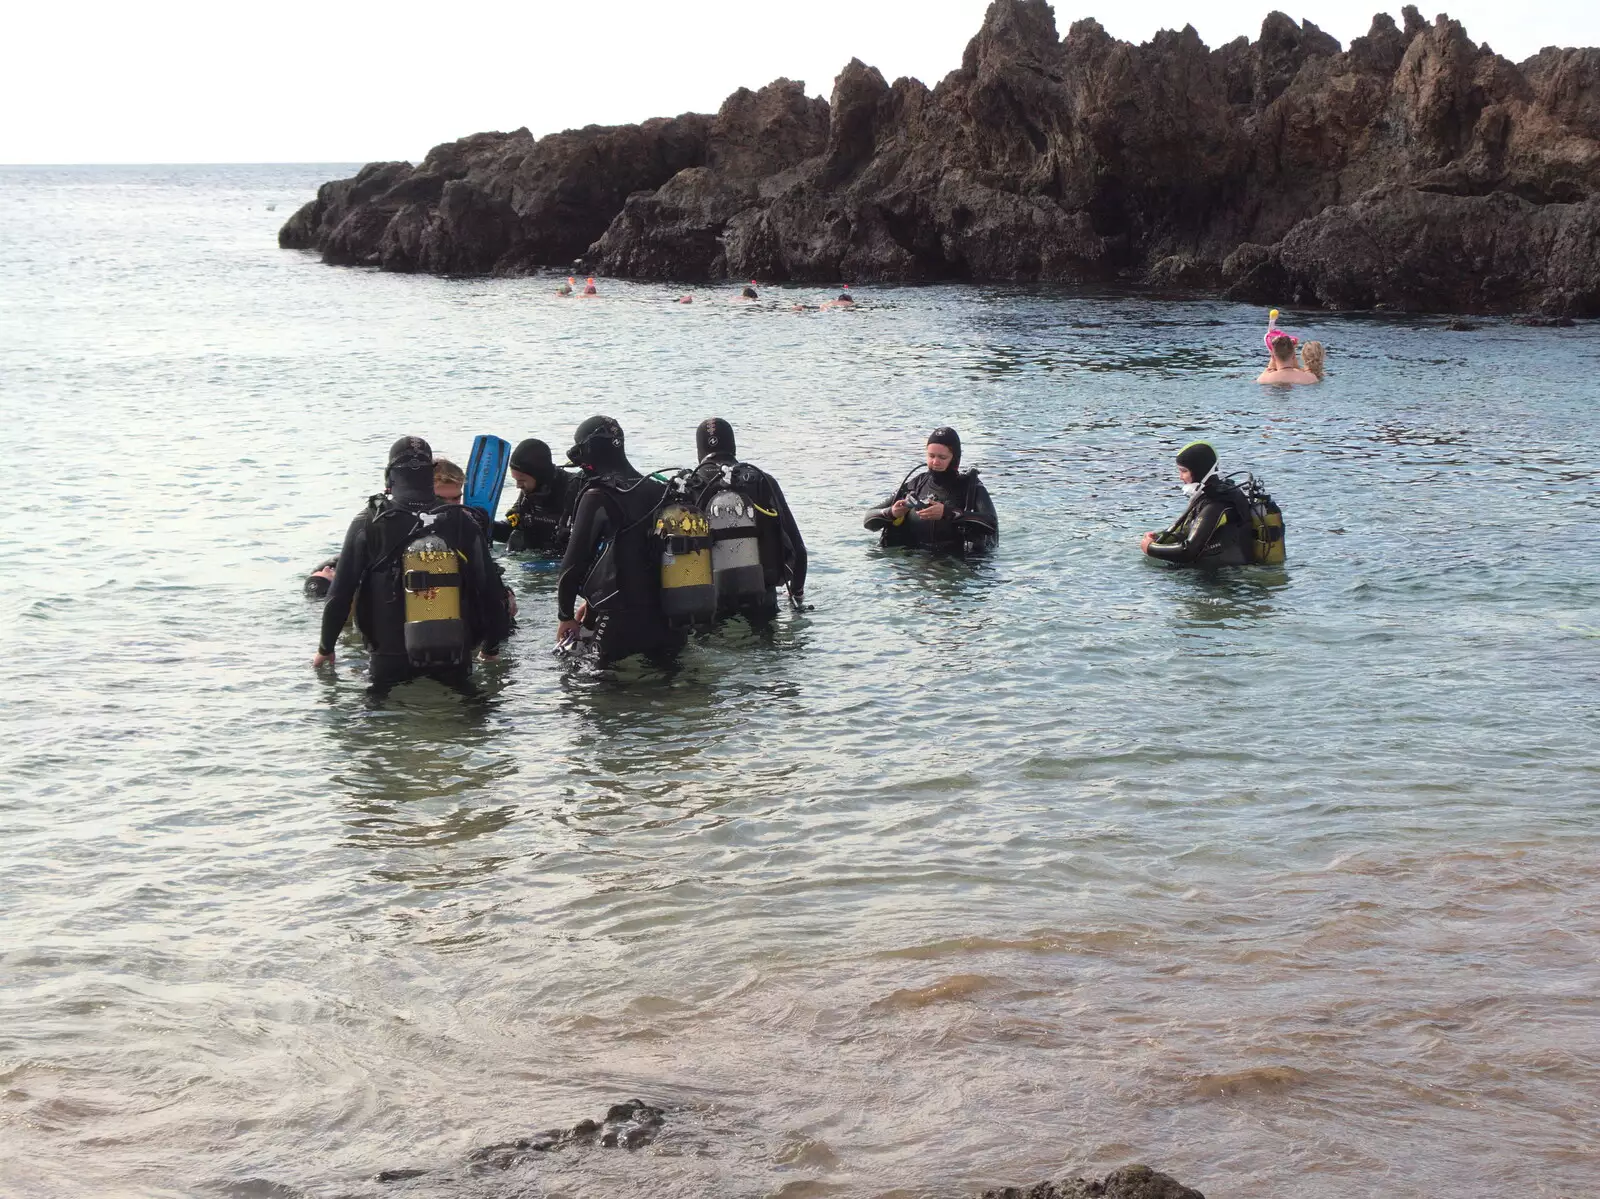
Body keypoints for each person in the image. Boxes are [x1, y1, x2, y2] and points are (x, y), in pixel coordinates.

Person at [314, 436, 514, 693]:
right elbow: (490, 591)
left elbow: (339, 595)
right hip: (454, 653)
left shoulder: (369, 521)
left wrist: (325, 649)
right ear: (430, 476)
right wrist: (491, 649)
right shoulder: (461, 521)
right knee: (468, 717)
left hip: (389, 655)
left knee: (379, 724)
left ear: (390, 478)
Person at [555, 416, 682, 667]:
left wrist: (565, 616)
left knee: (602, 698)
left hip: (621, 621)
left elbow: (572, 565)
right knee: (669, 694)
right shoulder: (660, 489)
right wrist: (591, 605)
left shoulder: (598, 495)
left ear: (587, 450)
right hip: (669, 620)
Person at [687, 416, 808, 622]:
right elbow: (799, 552)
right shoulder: (762, 480)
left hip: (709, 606)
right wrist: (796, 594)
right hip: (762, 600)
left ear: (699, 451)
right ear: (733, 446)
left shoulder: (690, 485)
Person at [864, 427, 998, 553]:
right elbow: (868, 520)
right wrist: (891, 513)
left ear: (955, 459)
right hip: (915, 562)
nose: (935, 462)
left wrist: (948, 513)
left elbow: (991, 524)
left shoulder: (971, 488)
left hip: (956, 562)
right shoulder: (916, 484)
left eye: (942, 457)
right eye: (931, 456)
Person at [1140, 441, 1254, 567]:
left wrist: (1150, 548)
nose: (1180, 477)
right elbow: (1186, 530)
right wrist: (1157, 537)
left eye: (1184, 471)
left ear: (1199, 471)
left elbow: (1188, 551)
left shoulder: (1216, 504)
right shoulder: (1209, 494)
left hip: (1225, 578)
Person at [492, 438, 581, 557]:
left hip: (561, 562)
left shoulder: (576, 489)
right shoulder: (529, 492)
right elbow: (510, 528)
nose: (518, 486)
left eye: (521, 480)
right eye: (516, 480)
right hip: (535, 561)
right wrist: (487, 525)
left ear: (539, 475)